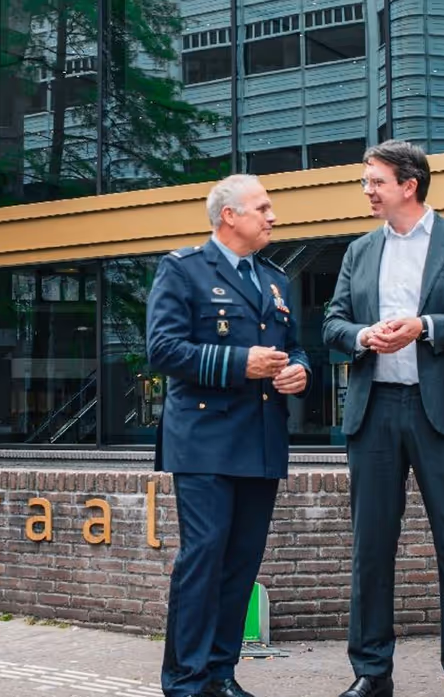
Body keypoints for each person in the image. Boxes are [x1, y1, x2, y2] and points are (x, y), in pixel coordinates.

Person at [322, 140, 444, 697]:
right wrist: (361, 335)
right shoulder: (358, 250)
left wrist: (425, 326)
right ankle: (372, 674)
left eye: (374, 180)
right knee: (370, 550)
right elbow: (333, 322)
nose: (367, 190)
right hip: (374, 411)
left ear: (409, 184)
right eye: (365, 181)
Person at [147, 174, 311, 697]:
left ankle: (221, 673)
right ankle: (185, 681)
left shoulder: (277, 280)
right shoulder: (184, 270)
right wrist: (242, 363)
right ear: (229, 216)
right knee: (204, 557)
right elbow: (164, 351)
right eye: (263, 208)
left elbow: (298, 347)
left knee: (242, 562)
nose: (273, 216)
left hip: (261, 441)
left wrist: (299, 371)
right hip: (204, 441)